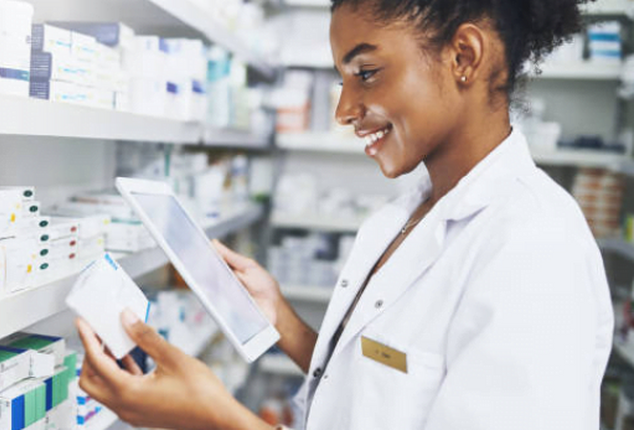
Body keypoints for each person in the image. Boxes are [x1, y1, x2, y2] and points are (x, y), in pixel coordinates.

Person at [76, 0, 614, 428]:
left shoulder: (535, 248)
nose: (343, 110)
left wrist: (218, 420)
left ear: (464, 56)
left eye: (367, 72)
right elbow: (380, 388)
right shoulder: (402, 215)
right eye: (342, 79)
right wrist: (282, 323)